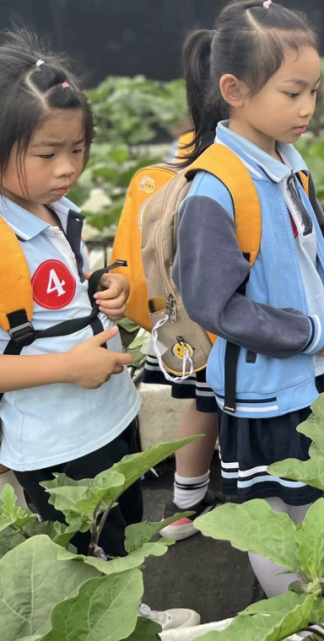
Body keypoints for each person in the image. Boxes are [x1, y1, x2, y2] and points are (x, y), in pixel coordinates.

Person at [0, 30, 198, 630]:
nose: (67, 169)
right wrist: (67, 366)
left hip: (107, 418)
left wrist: (99, 291)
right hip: (56, 443)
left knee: (121, 531)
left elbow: (50, 305)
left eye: (78, 149)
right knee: (80, 561)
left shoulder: (52, 212)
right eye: (46, 153)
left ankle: (128, 615)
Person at [172, 0, 324, 598]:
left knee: (314, 504)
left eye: (314, 91)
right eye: (292, 92)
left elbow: (319, 253)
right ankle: (296, 614)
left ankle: (319, 606)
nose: (308, 107)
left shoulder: (290, 166)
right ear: (234, 88)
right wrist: (310, 333)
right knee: (276, 524)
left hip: (309, 376)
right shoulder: (216, 188)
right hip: (263, 397)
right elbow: (215, 307)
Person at [111, 120, 223, 542]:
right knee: (234, 409)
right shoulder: (227, 164)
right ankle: (247, 502)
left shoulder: (179, 155)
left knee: (203, 407)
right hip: (218, 329)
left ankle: (185, 505)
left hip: (175, 325)